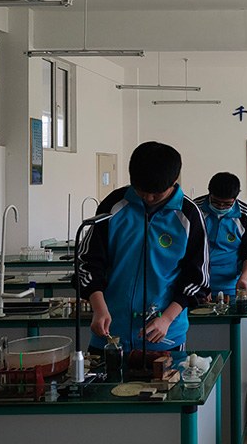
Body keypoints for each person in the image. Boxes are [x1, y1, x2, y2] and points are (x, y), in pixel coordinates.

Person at [77, 141, 209, 354]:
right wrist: (99, 309)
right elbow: (87, 262)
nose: (148, 198)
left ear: (174, 182)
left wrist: (167, 319)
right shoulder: (113, 205)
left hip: (164, 335)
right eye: (141, 191)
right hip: (110, 334)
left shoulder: (189, 215)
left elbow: (197, 277)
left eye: (156, 194)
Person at [194, 172, 247, 301]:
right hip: (196, 284)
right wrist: (197, 283)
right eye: (216, 202)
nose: (221, 207)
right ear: (209, 193)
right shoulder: (195, 209)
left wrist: (243, 280)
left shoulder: (245, 215)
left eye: (227, 204)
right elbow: (184, 250)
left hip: (231, 285)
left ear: (235, 198)